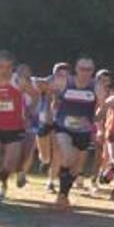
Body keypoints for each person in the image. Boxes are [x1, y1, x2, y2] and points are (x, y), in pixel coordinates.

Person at [0, 50, 39, 204]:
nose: (5, 70)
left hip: (15, 128)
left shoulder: (19, 81)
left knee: (10, 163)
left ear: (13, 68)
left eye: (9, 67)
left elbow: (35, 95)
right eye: (2, 67)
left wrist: (29, 112)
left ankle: (3, 178)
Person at [47, 56, 106, 209]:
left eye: (88, 69)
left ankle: (63, 194)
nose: (85, 72)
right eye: (82, 69)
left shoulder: (96, 86)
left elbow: (104, 106)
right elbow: (47, 88)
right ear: (76, 69)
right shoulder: (65, 81)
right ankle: (61, 195)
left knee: (76, 167)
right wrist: (49, 109)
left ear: (93, 71)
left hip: (84, 131)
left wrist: (95, 118)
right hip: (63, 127)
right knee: (67, 157)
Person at [35, 62, 69, 193]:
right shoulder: (46, 82)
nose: (61, 77)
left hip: (61, 120)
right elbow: (31, 82)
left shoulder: (71, 86)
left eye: (65, 75)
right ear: (53, 74)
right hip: (44, 119)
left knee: (58, 151)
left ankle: (51, 182)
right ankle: (45, 161)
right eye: (59, 74)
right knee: (45, 155)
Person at [15, 63, 38, 189]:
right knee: (17, 148)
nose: (24, 73)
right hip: (14, 119)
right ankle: (17, 170)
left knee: (29, 148)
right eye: (21, 71)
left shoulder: (34, 83)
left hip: (31, 119)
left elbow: (36, 97)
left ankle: (22, 172)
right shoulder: (12, 81)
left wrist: (29, 111)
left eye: (26, 71)